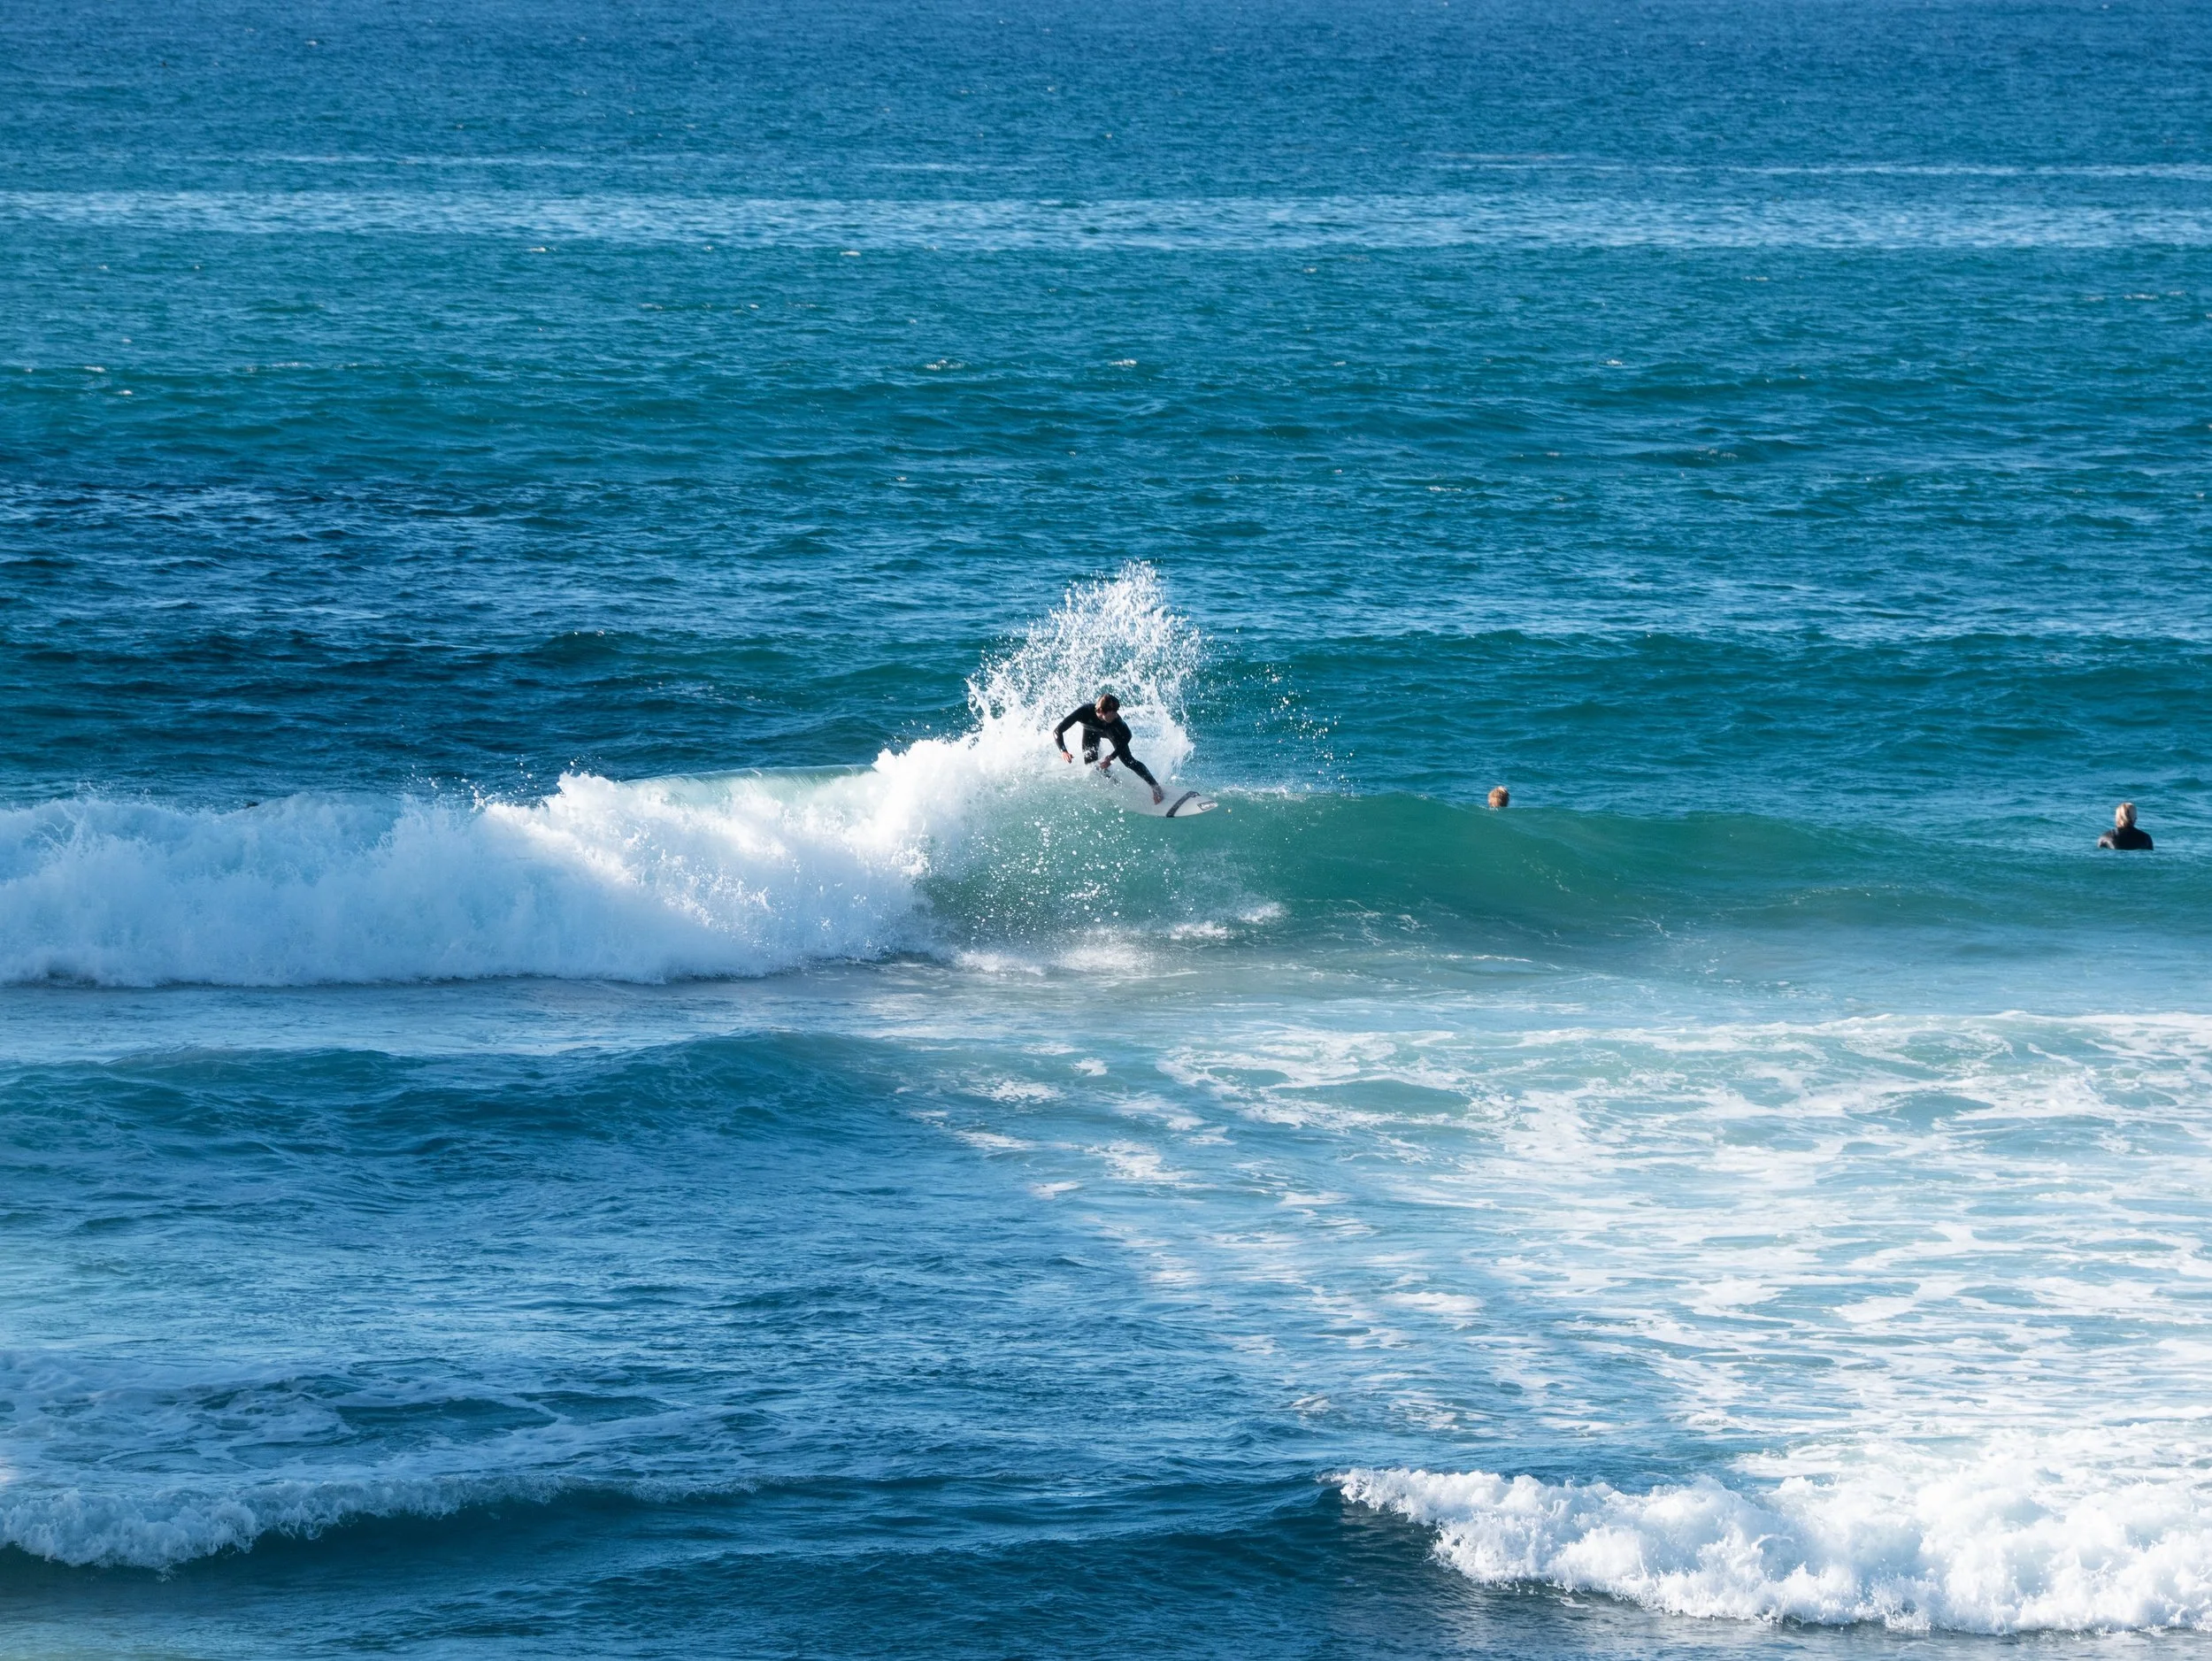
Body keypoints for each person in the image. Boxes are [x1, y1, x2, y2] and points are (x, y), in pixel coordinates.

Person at [1054, 693, 1164, 804]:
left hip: (1111, 733)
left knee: (1128, 761)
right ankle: (1114, 781)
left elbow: (1128, 735)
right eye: (1113, 712)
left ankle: (1155, 787)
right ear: (1101, 711)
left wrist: (1112, 756)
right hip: (1091, 733)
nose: (1116, 715)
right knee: (1092, 765)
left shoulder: (1116, 721)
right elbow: (1058, 731)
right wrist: (1063, 751)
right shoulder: (1085, 711)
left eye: (1117, 711)